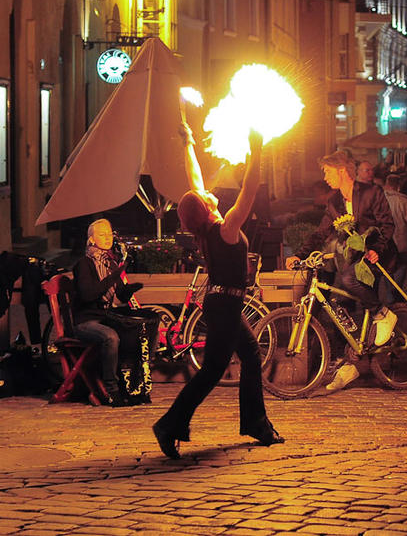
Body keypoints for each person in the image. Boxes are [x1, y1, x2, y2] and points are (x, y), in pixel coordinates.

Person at [153, 130, 283, 460]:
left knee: (251, 355)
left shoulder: (209, 226)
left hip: (223, 303)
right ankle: (170, 424)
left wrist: (188, 143)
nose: (209, 192)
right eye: (206, 196)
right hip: (224, 305)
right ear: (207, 209)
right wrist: (256, 151)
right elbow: (249, 190)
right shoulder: (225, 230)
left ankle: (256, 423)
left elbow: (194, 178)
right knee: (212, 370)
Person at [286, 150, 397, 391]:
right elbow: (321, 231)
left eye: (327, 172)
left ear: (341, 171)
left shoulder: (370, 192)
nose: (325, 177)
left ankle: (382, 313)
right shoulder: (335, 202)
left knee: (348, 277)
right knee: (338, 304)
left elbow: (387, 224)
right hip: (354, 257)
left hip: (378, 255)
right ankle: (353, 362)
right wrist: (299, 254)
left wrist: (376, 248)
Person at [72, 219, 141, 407]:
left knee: (138, 331)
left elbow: (117, 296)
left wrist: (129, 290)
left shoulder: (110, 263)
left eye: (109, 233)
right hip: (86, 322)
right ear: (92, 239)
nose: (107, 238)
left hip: (106, 317)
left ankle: (134, 385)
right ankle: (112, 390)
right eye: (102, 234)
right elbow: (88, 295)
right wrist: (115, 276)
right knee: (111, 337)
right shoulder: (84, 264)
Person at [382, 173, 407, 305]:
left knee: (387, 268)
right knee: (402, 265)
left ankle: (391, 292)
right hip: (400, 241)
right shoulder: (403, 201)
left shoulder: (380, 199)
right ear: (398, 186)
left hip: (384, 241)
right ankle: (394, 292)